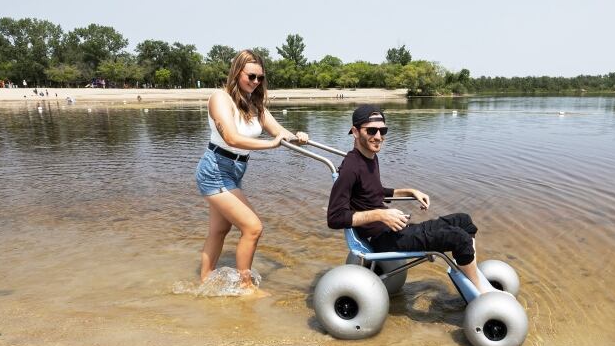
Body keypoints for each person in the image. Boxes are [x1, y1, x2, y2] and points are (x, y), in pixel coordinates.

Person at [327, 104, 494, 293]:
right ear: (355, 132)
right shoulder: (351, 167)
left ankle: (467, 272)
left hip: (394, 230)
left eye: (383, 130)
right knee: (459, 238)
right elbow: (335, 218)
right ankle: (481, 292)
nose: (378, 136)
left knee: (464, 221)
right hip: (382, 239)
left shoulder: (370, 157)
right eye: (371, 130)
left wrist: (410, 191)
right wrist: (381, 215)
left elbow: (375, 192)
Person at [196, 49, 308, 290]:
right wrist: (270, 145)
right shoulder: (220, 99)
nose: (256, 83)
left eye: (260, 78)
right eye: (251, 76)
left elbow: (279, 132)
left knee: (220, 229)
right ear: (237, 72)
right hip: (215, 168)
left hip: (235, 170)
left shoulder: (255, 104)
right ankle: (246, 287)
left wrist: (297, 137)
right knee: (253, 227)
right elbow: (232, 138)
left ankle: (204, 282)